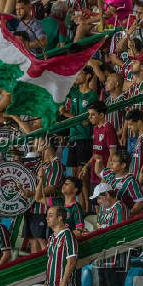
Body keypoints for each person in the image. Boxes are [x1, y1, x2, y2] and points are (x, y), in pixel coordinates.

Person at [60, 66, 98, 211]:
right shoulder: (74, 92)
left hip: (84, 138)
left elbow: (86, 121)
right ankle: (80, 207)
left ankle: (87, 208)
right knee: (75, 175)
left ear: (88, 76)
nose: (77, 76)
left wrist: (67, 114)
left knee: (83, 175)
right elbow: (61, 86)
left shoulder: (92, 96)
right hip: (73, 137)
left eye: (80, 73)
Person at [22, 136, 63, 253]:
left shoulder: (55, 164)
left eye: (38, 142)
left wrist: (32, 193)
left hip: (43, 209)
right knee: (32, 240)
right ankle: (35, 270)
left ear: (45, 145)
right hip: (31, 207)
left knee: (42, 240)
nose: (35, 144)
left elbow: (51, 188)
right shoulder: (41, 163)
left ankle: (47, 266)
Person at [89, 183, 129, 286]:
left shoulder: (119, 207)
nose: (98, 201)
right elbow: (100, 229)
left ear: (107, 194)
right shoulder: (102, 209)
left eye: (99, 198)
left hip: (117, 259)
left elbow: (120, 232)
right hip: (102, 258)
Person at [81, 101, 118, 211]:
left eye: (92, 114)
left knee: (104, 204)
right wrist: (86, 166)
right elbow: (95, 152)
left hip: (103, 174)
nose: (90, 117)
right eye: (89, 114)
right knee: (96, 203)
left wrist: (106, 175)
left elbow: (113, 153)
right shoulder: (96, 128)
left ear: (101, 115)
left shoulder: (108, 128)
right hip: (94, 172)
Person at [95, 150, 143, 216]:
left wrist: (128, 215)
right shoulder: (110, 173)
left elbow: (141, 201)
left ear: (123, 165)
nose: (111, 163)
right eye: (111, 161)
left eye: (114, 161)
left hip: (122, 219)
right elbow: (98, 172)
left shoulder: (130, 180)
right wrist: (98, 161)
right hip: (109, 216)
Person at [44, 206, 78, 286]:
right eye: (47, 215)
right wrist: (46, 282)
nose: (47, 218)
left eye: (50, 215)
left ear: (60, 218)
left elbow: (71, 262)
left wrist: (63, 284)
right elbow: (50, 261)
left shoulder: (67, 235)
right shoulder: (51, 237)